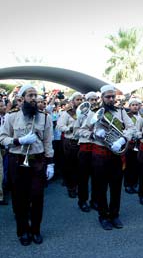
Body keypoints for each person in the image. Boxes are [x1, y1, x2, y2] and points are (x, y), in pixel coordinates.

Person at [0, 84, 54, 246]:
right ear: (21, 98)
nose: (33, 98)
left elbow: (48, 141)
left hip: (37, 161)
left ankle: (35, 230)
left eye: (35, 95)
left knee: (37, 198)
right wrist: (18, 141)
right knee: (19, 199)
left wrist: (50, 163)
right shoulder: (11, 116)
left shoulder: (45, 117)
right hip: (17, 161)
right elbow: (2, 138)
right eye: (30, 95)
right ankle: (22, 231)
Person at [83, 85, 135, 230]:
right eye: (108, 97)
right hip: (100, 154)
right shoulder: (93, 113)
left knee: (116, 187)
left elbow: (132, 128)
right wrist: (93, 134)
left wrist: (123, 139)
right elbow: (80, 130)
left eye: (113, 97)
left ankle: (114, 214)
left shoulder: (121, 111)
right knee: (100, 187)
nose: (111, 99)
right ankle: (103, 216)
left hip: (116, 155)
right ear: (102, 98)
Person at [56, 92, 83, 198]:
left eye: (81, 99)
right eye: (77, 99)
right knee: (71, 166)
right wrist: (69, 129)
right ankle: (71, 188)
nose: (80, 101)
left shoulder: (85, 113)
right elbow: (59, 126)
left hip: (82, 142)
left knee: (80, 166)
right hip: (71, 142)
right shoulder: (67, 113)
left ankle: (78, 186)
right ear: (72, 101)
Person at [76, 91, 99, 212]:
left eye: (95, 100)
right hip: (85, 147)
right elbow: (76, 131)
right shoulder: (81, 114)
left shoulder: (101, 113)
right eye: (91, 100)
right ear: (87, 101)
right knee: (83, 177)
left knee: (97, 177)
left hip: (97, 148)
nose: (94, 102)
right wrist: (90, 133)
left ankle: (94, 200)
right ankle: (82, 201)